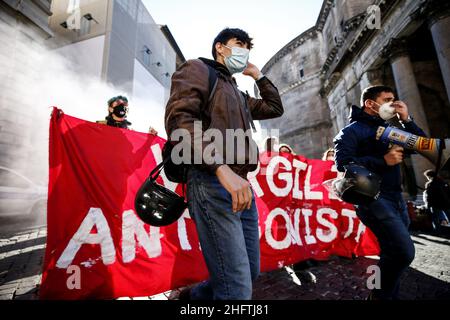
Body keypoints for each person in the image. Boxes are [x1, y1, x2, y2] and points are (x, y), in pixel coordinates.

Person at [165, 27, 284, 300]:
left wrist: (258, 75)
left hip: (242, 185)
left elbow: (274, 108)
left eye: (247, 47)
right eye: (238, 43)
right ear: (220, 47)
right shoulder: (196, 69)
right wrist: (221, 168)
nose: (244, 51)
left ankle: (192, 298)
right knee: (237, 289)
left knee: (248, 273)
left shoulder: (237, 92)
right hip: (212, 181)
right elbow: (180, 123)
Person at [333, 85, 426, 300]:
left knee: (392, 252)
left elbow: (421, 145)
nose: (393, 104)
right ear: (370, 103)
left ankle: (384, 296)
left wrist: (408, 120)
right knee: (404, 252)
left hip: (396, 198)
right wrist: (382, 161)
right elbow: (343, 164)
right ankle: (378, 296)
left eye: (395, 99)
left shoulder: (392, 128)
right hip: (372, 199)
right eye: (388, 99)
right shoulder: (350, 131)